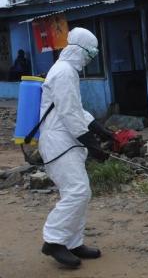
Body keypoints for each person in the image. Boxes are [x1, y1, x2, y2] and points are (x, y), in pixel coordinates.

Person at [39, 28, 112, 268]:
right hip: (58, 141)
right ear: (78, 50)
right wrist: (91, 143)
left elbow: (77, 109)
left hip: (67, 141)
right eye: (90, 53)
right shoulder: (63, 72)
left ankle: (72, 242)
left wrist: (99, 129)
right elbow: (69, 112)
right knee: (77, 191)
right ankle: (53, 239)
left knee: (80, 192)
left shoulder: (66, 71)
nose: (91, 58)